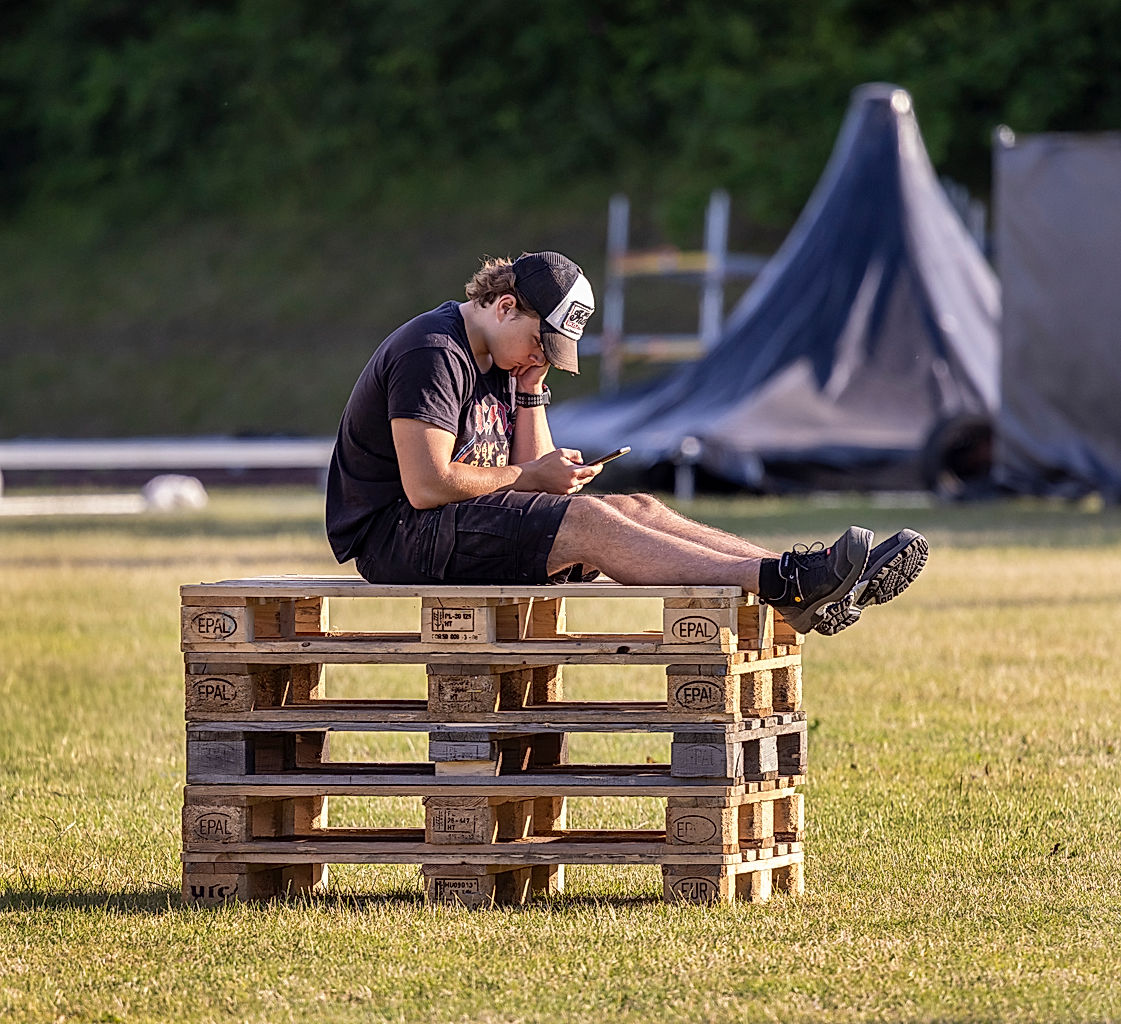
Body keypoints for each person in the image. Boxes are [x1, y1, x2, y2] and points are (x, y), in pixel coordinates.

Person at [326, 251, 927, 634]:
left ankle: (793, 576)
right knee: (587, 522)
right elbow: (427, 485)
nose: (543, 359)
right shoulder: (434, 353)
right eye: (542, 346)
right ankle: (785, 580)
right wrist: (533, 480)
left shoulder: (502, 359)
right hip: (397, 538)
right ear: (505, 306)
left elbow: (526, 470)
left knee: (636, 508)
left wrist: (532, 393)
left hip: (456, 526)